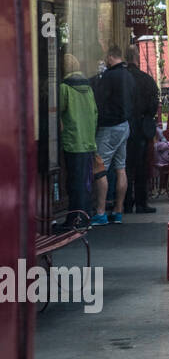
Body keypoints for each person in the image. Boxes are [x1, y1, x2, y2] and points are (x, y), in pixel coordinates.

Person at [91, 44, 133, 225]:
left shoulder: (108, 77)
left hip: (109, 127)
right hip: (125, 125)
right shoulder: (129, 76)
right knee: (121, 168)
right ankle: (118, 211)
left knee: (100, 169)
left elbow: (99, 101)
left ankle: (100, 212)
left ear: (109, 57)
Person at [58, 53, 97, 228]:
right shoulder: (88, 87)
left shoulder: (64, 88)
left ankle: (73, 218)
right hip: (87, 140)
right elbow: (95, 112)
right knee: (86, 180)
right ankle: (86, 215)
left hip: (72, 140)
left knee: (73, 182)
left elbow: (57, 111)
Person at [123, 45, 160, 214]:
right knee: (141, 167)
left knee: (124, 167)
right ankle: (141, 202)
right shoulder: (147, 79)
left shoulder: (123, 78)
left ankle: (125, 203)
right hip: (142, 127)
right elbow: (154, 105)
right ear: (137, 58)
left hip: (123, 125)